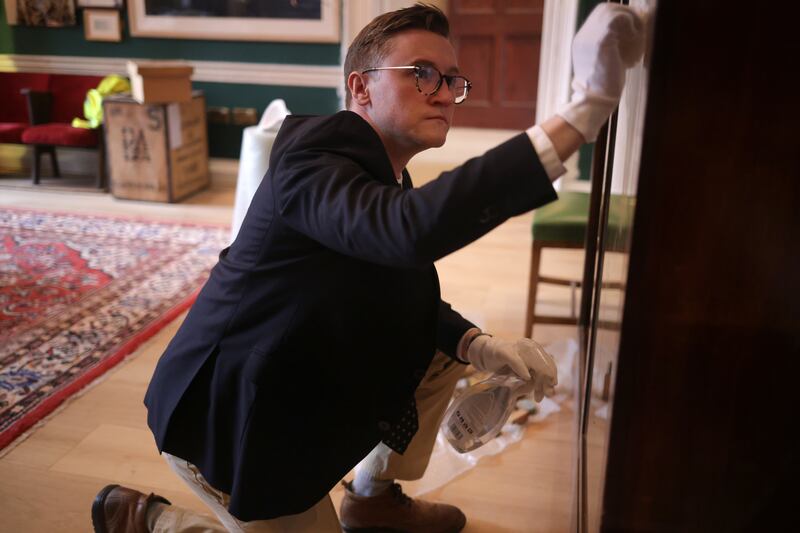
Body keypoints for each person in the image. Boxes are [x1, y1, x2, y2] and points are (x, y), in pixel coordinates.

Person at [91, 3, 645, 532]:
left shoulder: (381, 170)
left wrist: (476, 344)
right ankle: (149, 520)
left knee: (440, 352)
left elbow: (400, 289)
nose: (445, 93)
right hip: (234, 425)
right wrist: (583, 111)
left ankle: (371, 500)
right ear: (360, 87)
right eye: (422, 74)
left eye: (452, 80)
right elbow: (406, 230)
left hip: (294, 379)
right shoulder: (312, 161)